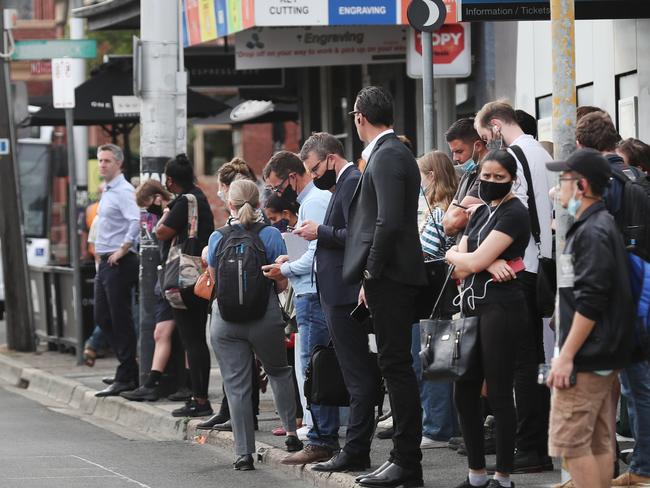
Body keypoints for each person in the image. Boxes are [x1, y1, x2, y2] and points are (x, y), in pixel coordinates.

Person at [343, 86, 427, 488]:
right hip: (388, 276)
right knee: (393, 366)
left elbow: (389, 221)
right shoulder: (390, 153)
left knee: (396, 367)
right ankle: (402, 460)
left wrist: (371, 272)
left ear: (360, 117)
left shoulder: (389, 153)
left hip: (391, 277)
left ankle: (407, 462)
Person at [545, 148, 635, 488]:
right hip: (601, 352)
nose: (558, 188)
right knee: (597, 440)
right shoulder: (599, 224)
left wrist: (566, 356)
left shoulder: (591, 231)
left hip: (586, 356)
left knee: (571, 441)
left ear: (581, 186)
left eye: (564, 180)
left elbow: (591, 301)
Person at [475, 101, 554, 473]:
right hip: (538, 264)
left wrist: (487, 256)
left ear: (494, 126)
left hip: (518, 268)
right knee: (532, 360)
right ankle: (535, 443)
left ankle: (528, 446)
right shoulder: (538, 150)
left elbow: (512, 213)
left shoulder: (516, 156)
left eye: (483, 137)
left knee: (522, 364)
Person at [445, 149, 531, 488]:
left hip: (502, 309)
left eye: (500, 178)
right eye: (487, 176)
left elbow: (472, 259)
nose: (491, 182)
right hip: (471, 307)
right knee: (463, 389)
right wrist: (477, 261)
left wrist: (476, 260)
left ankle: (503, 477)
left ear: (513, 179)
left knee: (498, 390)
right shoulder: (481, 212)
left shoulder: (515, 213)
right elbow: (459, 261)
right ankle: (476, 474)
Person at [292, 132, 377, 473]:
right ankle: (354, 448)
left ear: (330, 159)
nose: (313, 177)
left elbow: (358, 236)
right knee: (351, 373)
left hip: (345, 294)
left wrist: (320, 232)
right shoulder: (342, 184)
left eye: (314, 170)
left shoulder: (352, 181)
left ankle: (356, 450)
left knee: (358, 376)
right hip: (336, 293)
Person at [576, 113, 650, 488]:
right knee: (638, 387)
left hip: (616, 297)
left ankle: (623, 470)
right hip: (641, 292)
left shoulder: (603, 183)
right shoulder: (638, 178)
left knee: (601, 387)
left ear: (580, 146)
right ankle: (640, 465)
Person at [208, 179, 302, 471]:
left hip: (225, 321)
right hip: (264, 317)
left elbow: (214, 280)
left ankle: (243, 453)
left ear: (229, 205)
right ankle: (290, 433)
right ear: (260, 203)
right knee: (279, 371)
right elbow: (284, 279)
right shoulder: (273, 235)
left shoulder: (216, 237)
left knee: (236, 385)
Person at [262, 150, 337, 465]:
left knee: (314, 368)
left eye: (277, 187)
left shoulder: (313, 201)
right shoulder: (311, 201)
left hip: (313, 292)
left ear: (292, 177)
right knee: (312, 366)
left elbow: (318, 253)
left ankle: (321, 436)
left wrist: (287, 269)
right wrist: (288, 261)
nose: (277, 195)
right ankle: (319, 431)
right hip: (309, 291)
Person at [197, 156, 263, 432]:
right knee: (241, 360)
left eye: (221, 188)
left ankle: (240, 414)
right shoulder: (256, 219)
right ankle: (233, 411)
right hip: (252, 297)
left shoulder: (240, 221)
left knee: (236, 360)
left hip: (237, 296)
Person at [156, 154, 215, 417]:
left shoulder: (183, 202)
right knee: (196, 338)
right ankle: (197, 395)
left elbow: (162, 232)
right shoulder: (200, 198)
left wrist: (165, 212)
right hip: (200, 277)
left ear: (169, 179)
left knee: (192, 339)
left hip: (184, 279)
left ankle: (199, 399)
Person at [412, 151, 460, 449]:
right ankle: (445, 425)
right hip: (441, 295)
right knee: (438, 361)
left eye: (422, 174)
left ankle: (437, 427)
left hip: (434, 296)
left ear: (432, 176)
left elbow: (429, 255)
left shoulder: (440, 212)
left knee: (433, 361)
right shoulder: (444, 209)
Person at [121, 180, 184, 401]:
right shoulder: (166, 212)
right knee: (162, 333)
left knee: (169, 334)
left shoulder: (173, 211)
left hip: (174, 278)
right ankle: (154, 382)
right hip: (164, 279)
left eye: (149, 203)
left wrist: (165, 212)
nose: (149, 210)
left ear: (158, 197)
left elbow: (160, 233)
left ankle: (159, 382)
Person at [93, 144, 140, 397]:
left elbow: (135, 221)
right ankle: (127, 367)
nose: (102, 165)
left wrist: (123, 249)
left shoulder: (123, 191)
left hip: (119, 261)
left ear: (118, 163)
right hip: (105, 261)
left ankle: (126, 375)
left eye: (107, 161)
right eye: (100, 160)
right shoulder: (108, 190)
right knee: (103, 316)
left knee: (119, 317)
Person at [442, 118, 488, 238]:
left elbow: (455, 222)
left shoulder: (488, 176)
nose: (455, 158)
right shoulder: (467, 175)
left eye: (459, 151)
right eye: (453, 152)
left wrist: (454, 217)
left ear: (477, 145)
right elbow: (446, 225)